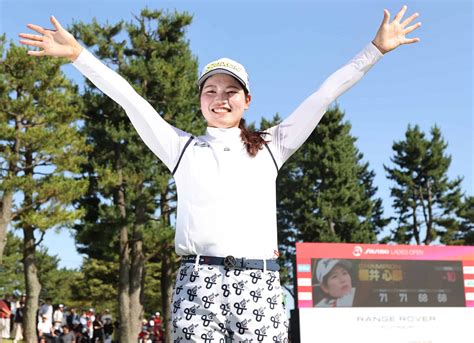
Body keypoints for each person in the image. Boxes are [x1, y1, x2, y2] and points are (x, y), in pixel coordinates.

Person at [19, 5, 421, 341]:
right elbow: (130, 100)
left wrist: (375, 50)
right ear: (200, 101)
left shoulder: (271, 146)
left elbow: (324, 94)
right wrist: (79, 56)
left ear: (246, 100)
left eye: (231, 91)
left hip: (260, 286)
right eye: (210, 90)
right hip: (198, 285)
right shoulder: (182, 148)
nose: (220, 98)